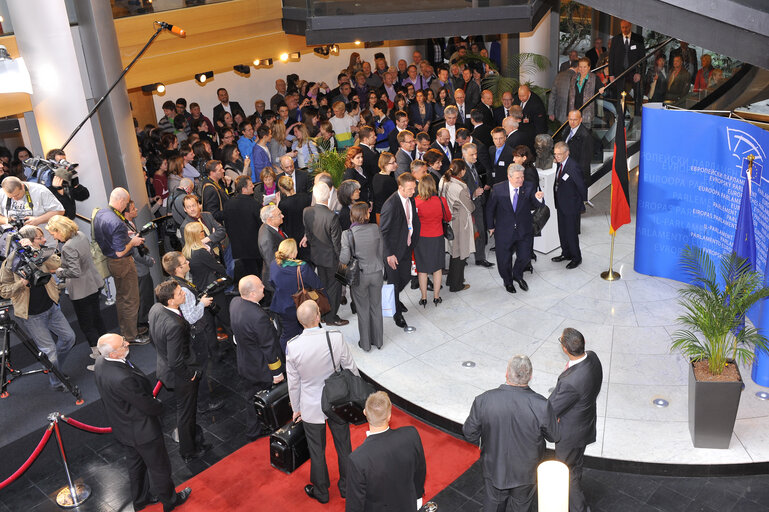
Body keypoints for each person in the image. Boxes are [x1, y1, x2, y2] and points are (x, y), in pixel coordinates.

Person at [93, 333, 192, 512]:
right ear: (113, 354)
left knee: (135, 466)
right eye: (123, 344)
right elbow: (146, 403)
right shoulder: (123, 378)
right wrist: (159, 407)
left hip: (123, 428)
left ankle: (140, 500)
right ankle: (170, 501)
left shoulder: (100, 363)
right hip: (143, 431)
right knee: (160, 467)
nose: (127, 343)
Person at [463, 355, 559, 512]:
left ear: (507, 373)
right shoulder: (542, 405)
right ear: (530, 376)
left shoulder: (484, 400)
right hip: (526, 474)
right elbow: (554, 436)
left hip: (494, 468)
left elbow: (469, 433)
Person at [286, 300, 358, 505]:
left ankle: (321, 491)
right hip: (337, 400)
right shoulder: (334, 338)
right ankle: (346, 487)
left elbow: (294, 383)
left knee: (316, 450)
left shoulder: (293, 346)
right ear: (318, 317)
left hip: (311, 405)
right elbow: (351, 368)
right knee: (344, 446)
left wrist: (296, 408)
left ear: (301, 322)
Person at [0, 225, 76, 390]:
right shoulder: (10, 263)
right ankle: (56, 380)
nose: (44, 239)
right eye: (40, 238)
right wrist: (21, 283)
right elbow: (3, 291)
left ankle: (54, 369)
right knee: (50, 352)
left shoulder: (38, 252)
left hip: (51, 307)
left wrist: (36, 250)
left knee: (69, 338)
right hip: (32, 316)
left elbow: (57, 261)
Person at [150, 280, 211, 463]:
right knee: (186, 413)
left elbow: (155, 340)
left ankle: (193, 441)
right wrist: (190, 375)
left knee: (185, 411)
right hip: (180, 375)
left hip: (166, 367)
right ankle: (189, 451)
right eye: (179, 294)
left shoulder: (155, 309)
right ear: (170, 301)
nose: (183, 294)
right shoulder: (175, 325)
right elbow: (176, 361)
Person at [549, 327, 603, 512]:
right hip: (585, 424)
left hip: (570, 434)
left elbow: (551, 409)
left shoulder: (570, 382)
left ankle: (579, 508)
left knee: (567, 472)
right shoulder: (593, 358)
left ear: (565, 349)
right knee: (576, 465)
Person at [161, 251, 221, 414]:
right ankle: (204, 403)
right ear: (179, 269)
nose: (188, 262)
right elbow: (190, 317)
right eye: (184, 262)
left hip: (188, 335)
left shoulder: (173, 283)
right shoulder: (184, 290)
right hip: (195, 335)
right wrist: (202, 303)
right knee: (199, 368)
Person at [346, 391, 426, 512]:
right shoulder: (411, 434)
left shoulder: (358, 459)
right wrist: (417, 497)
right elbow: (420, 471)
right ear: (389, 415)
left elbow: (355, 503)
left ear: (365, 413)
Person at [230, 275, 284, 440]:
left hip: (245, 363)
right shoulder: (258, 317)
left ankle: (253, 430)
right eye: (261, 286)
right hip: (261, 368)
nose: (263, 288)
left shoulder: (235, 303)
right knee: (270, 397)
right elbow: (269, 346)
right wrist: (277, 373)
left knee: (251, 397)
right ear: (252, 293)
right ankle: (274, 424)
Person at [46, 215, 106, 357]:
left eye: (54, 233)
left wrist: (57, 271)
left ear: (60, 230)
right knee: (97, 319)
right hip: (94, 283)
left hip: (81, 291)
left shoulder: (68, 247)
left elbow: (74, 271)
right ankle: (108, 350)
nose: (54, 237)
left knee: (87, 325)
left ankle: (99, 358)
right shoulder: (81, 235)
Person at [93, 187, 146, 344]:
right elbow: (120, 252)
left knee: (122, 298)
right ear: (121, 201)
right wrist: (133, 242)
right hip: (122, 263)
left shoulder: (100, 213)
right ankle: (131, 335)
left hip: (111, 263)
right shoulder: (117, 222)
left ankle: (127, 329)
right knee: (131, 299)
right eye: (127, 202)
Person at [487, 165, 544, 294]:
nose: (521, 180)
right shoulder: (498, 189)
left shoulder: (529, 187)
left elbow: (536, 204)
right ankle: (508, 281)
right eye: (518, 177)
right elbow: (490, 209)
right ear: (509, 177)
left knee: (524, 256)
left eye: (522, 177)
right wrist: (490, 226)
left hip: (524, 230)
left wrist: (539, 198)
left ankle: (517, 275)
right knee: (504, 259)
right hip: (504, 231)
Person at [340, 202, 384, 352]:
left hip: (360, 277)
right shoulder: (375, 228)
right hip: (377, 272)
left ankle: (365, 344)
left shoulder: (347, 234)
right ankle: (378, 341)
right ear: (365, 215)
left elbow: (344, 259)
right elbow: (382, 252)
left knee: (363, 309)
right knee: (376, 306)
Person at [302, 182, 347, 326]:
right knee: (336, 287)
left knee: (323, 287)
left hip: (317, 256)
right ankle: (332, 318)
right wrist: (343, 262)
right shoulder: (331, 217)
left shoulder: (306, 211)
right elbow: (337, 243)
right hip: (333, 259)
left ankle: (322, 314)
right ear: (328, 195)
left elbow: (308, 234)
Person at [380, 173, 421, 327]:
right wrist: (389, 254)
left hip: (406, 245)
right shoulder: (390, 205)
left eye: (414, 188)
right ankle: (397, 314)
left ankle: (395, 299)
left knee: (406, 277)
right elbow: (383, 232)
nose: (413, 192)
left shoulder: (410, 198)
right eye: (410, 189)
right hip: (393, 252)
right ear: (400, 188)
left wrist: (414, 239)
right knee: (394, 283)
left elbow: (412, 220)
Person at [440, 160, 475, 293]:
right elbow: (469, 206)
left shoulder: (444, 179)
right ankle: (456, 284)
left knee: (454, 251)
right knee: (461, 253)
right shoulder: (459, 187)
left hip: (449, 219)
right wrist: (473, 202)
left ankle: (451, 279)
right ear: (462, 171)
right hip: (460, 221)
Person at [414, 175, 449, 306]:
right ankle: (436, 296)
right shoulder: (441, 201)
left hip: (421, 239)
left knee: (422, 269)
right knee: (437, 267)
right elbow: (448, 217)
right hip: (437, 237)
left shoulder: (415, 202)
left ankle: (423, 298)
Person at [0, 176, 65, 246]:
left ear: (22, 186)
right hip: (13, 244)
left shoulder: (40, 191)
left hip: (43, 243)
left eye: (17, 195)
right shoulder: (1, 193)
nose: (15, 198)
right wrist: (7, 220)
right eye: (11, 197)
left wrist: (37, 220)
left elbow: (59, 211)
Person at [552, 142, 587, 269]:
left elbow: (582, 187)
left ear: (567, 153)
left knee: (571, 233)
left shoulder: (573, 167)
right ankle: (565, 253)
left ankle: (576, 258)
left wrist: (582, 203)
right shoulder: (560, 164)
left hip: (571, 206)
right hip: (561, 204)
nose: (557, 157)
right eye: (555, 154)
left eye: (560, 154)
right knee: (562, 231)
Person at [223, 175, 263, 284]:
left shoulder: (228, 205)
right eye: (250, 186)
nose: (253, 187)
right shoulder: (254, 205)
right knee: (257, 276)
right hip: (254, 248)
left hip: (238, 248)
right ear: (244, 189)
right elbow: (261, 225)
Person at [608, 20, 645, 116]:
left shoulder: (638, 39)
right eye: (622, 27)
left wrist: (639, 73)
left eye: (626, 27)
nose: (624, 29)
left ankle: (636, 118)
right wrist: (611, 74)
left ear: (630, 26)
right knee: (620, 98)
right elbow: (611, 57)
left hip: (633, 73)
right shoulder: (616, 39)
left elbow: (643, 58)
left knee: (636, 97)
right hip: (619, 74)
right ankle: (620, 118)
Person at [562, 110, 594, 181]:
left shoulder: (586, 136)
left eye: (575, 120)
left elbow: (585, 161)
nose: (572, 122)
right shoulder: (567, 129)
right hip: (566, 170)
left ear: (580, 120)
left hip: (576, 175)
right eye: (570, 119)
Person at [568, 58, 598, 128]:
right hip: (575, 112)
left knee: (586, 134)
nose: (582, 69)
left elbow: (602, 91)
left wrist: (602, 90)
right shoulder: (573, 78)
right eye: (580, 67)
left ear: (589, 67)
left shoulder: (594, 78)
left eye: (585, 67)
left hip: (587, 113)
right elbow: (570, 96)